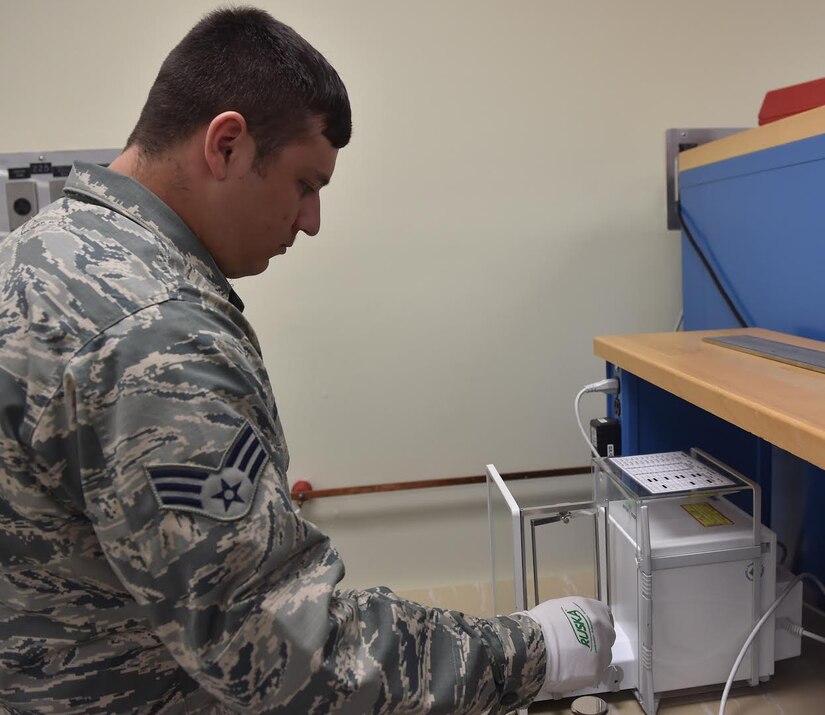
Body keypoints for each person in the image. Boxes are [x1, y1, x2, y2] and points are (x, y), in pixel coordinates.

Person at [0, 6, 614, 714]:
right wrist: (534, 649)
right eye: (304, 184)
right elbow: (279, 648)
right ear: (226, 145)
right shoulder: (154, 334)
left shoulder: (42, 247)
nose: (311, 219)